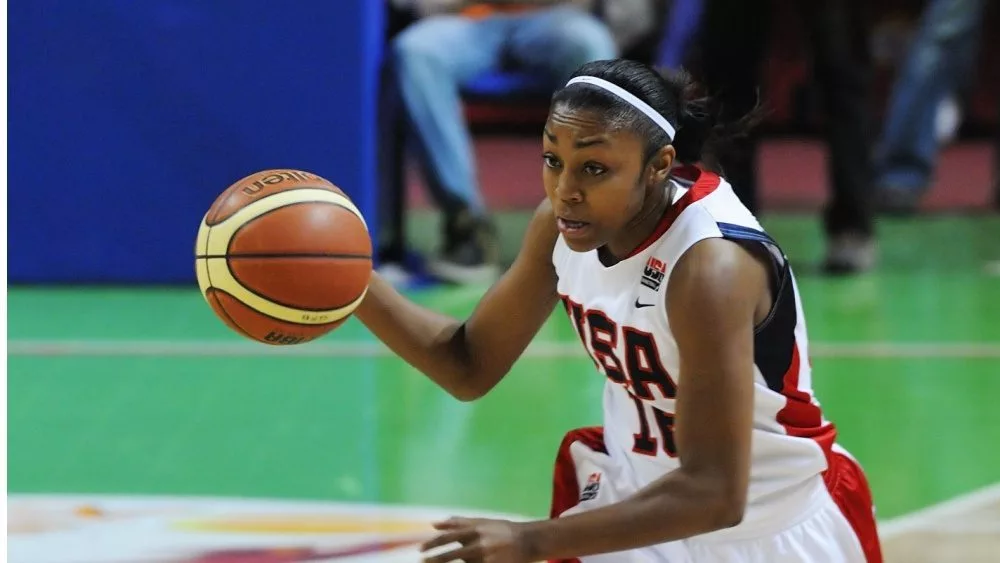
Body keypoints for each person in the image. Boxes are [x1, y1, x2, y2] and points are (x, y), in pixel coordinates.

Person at [356, 58, 883, 562]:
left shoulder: (709, 268)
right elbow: (469, 364)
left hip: (767, 528)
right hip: (639, 517)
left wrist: (529, 543)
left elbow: (716, 494)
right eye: (552, 160)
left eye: (594, 168)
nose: (565, 191)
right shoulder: (560, 226)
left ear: (659, 167)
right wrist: (349, 280)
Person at [379, 0, 618, 284]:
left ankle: (594, 222)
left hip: (557, 18)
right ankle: (466, 226)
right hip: (465, 19)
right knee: (416, 51)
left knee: (591, 45)